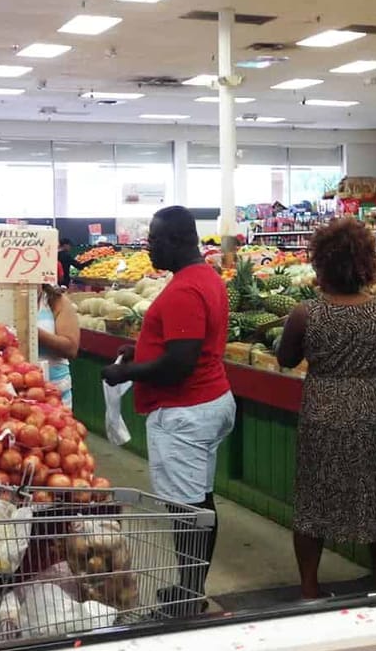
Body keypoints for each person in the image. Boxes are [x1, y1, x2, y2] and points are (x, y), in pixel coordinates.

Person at [276, 218, 376, 599]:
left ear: (321, 264)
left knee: (314, 501)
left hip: (322, 415)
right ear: (366, 264)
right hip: (374, 416)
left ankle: (310, 586)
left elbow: (286, 359)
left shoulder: (306, 314)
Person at [101, 205, 234, 614]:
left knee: (186, 512)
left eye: (155, 240)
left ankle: (190, 598)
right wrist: (137, 351)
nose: (150, 246)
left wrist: (126, 373)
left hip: (185, 411)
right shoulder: (203, 278)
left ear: (178, 240)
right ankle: (190, 587)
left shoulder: (183, 291)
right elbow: (181, 346)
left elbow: (179, 363)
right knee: (199, 502)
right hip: (208, 402)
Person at [37, 284, 79, 407]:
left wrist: (33, 332)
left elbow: (71, 348)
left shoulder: (56, 300)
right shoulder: (1, 299)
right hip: (13, 390)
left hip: (55, 391)